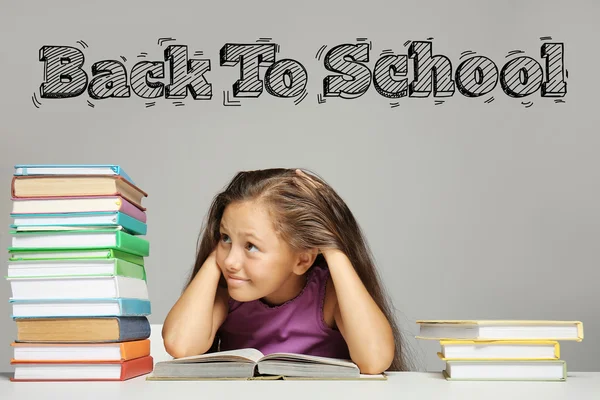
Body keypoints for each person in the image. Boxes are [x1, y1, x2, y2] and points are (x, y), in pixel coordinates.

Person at [162, 168, 411, 374]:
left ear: (302, 260)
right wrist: (216, 255)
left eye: (251, 246)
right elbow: (180, 345)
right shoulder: (228, 294)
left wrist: (332, 245)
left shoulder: (329, 297)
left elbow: (375, 359)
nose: (231, 262)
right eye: (225, 238)